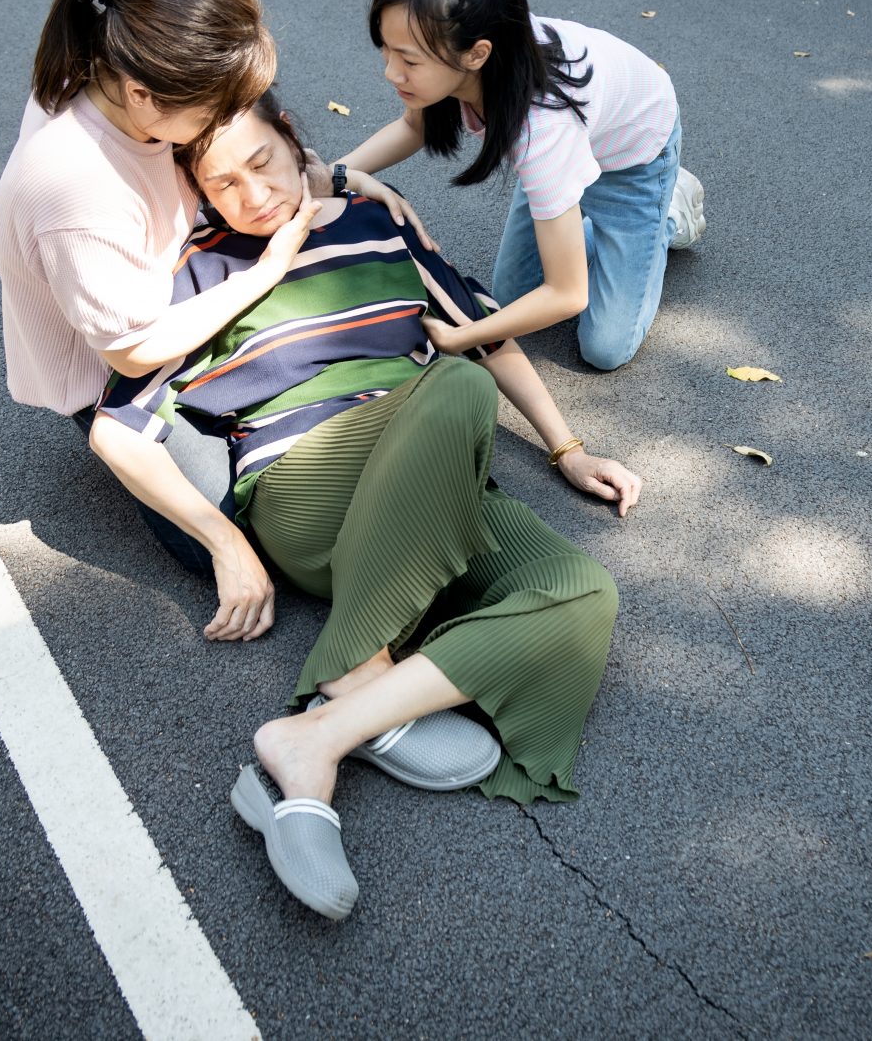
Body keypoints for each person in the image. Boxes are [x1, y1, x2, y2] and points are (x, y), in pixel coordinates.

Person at [88, 91, 638, 920]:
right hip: (303, 484)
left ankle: (318, 736)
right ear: (198, 192)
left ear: (294, 140)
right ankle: (359, 666)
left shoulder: (374, 221)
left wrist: (569, 448)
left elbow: (482, 330)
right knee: (450, 383)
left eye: (263, 163)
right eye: (222, 182)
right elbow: (116, 430)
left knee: (583, 590)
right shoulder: (194, 271)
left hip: (432, 476)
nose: (251, 194)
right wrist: (223, 542)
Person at [0, 0, 423, 637]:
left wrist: (332, 175)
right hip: (120, 356)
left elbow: (244, 140)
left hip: (179, 272)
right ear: (144, 99)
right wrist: (264, 273)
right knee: (233, 535)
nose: (228, 115)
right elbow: (134, 353)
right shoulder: (73, 186)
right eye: (214, 107)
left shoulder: (120, 63)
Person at [333, 0, 705, 371]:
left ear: (476, 55)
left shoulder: (540, 133)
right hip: (570, 154)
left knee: (603, 347)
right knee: (510, 296)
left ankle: (668, 211)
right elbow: (412, 128)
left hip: (633, 158)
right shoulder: (470, 40)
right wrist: (327, 173)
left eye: (409, 61)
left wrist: (462, 336)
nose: (392, 72)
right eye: (386, 49)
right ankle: (573, 216)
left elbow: (568, 294)